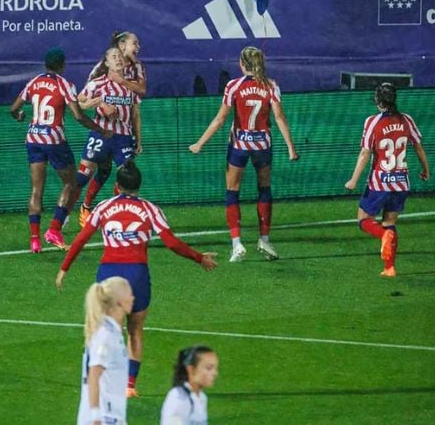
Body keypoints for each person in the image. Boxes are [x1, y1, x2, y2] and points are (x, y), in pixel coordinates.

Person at [57, 161, 217, 399]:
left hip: (109, 275)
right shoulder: (151, 209)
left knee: (106, 330)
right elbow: (171, 243)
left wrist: (64, 269)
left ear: (117, 185)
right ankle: (130, 385)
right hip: (137, 274)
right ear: (138, 185)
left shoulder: (102, 207)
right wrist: (199, 258)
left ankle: (99, 378)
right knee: (135, 330)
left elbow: (80, 240)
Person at [189, 46, 299, 263]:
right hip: (262, 146)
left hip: (239, 145)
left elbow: (220, 119)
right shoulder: (270, 86)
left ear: (241, 64)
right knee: (264, 189)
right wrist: (290, 147)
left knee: (232, 191)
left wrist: (199, 143)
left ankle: (237, 244)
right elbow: (279, 117)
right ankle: (264, 239)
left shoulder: (233, 86)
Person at [9, 47, 110, 253]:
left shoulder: (34, 81)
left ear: (45, 64)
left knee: (36, 189)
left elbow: (14, 108)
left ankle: (35, 240)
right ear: (62, 65)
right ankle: (54, 229)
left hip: (33, 137)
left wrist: (19, 116)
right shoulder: (65, 85)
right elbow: (78, 116)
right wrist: (100, 129)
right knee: (71, 183)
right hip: (53, 139)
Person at [343, 83, 430, 277]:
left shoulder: (373, 122)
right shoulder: (406, 120)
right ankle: (389, 267)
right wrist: (426, 168)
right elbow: (418, 146)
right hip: (401, 181)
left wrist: (353, 179)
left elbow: (365, 153)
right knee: (390, 221)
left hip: (380, 182)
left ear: (377, 101)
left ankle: (384, 236)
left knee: (363, 219)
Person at [77, 36, 146, 227]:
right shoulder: (98, 83)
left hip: (122, 137)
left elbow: (135, 114)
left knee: (126, 176)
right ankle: (66, 214)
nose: (118, 59)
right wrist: (98, 103)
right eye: (113, 57)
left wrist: (138, 139)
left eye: (119, 57)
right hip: (101, 133)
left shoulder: (129, 86)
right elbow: (78, 103)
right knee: (82, 177)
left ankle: (119, 214)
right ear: (106, 62)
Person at [77, 276, 134, 425]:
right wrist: (96, 417)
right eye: (129, 294)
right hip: (104, 417)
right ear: (119, 301)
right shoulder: (106, 335)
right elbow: (94, 375)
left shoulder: (111, 332)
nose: (133, 298)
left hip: (111, 415)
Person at [160, 345, 219, 425]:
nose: (215, 373)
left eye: (215, 368)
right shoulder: (179, 398)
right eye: (209, 368)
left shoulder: (201, 397)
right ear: (191, 369)